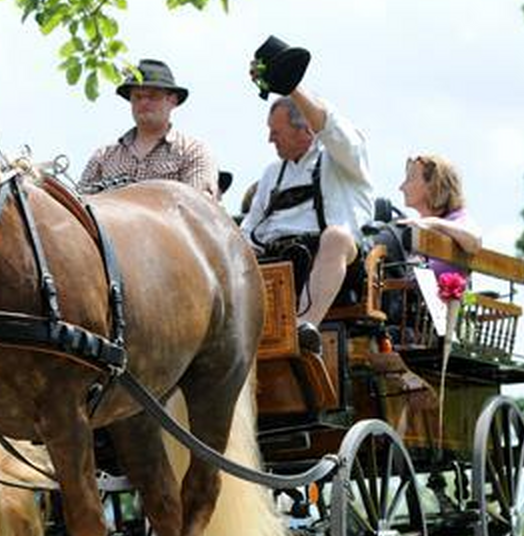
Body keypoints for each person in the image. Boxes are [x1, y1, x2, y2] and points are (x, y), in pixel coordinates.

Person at [240, 37, 374, 351]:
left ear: (305, 130)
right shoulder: (272, 174)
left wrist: (292, 87)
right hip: (277, 261)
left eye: (276, 132)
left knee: (336, 237)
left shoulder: (340, 159)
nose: (270, 140)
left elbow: (330, 127)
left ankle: (304, 329)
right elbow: (248, 229)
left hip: (335, 261)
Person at [78, 58, 218, 198]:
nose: (144, 102)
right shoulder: (103, 157)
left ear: (172, 100)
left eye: (153, 96)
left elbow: (197, 204)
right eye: (137, 97)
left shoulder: (193, 152)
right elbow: (78, 203)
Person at [397, 154, 482, 278]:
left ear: (433, 184)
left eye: (410, 178)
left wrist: (433, 223)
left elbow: (475, 241)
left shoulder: (457, 218)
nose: (402, 187)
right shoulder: (415, 228)